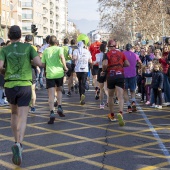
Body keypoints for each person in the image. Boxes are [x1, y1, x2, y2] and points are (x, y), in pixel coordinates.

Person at [0, 25, 42, 166]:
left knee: (13, 113)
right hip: (24, 85)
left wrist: (5, 71)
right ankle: (19, 144)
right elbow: (38, 63)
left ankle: (15, 139)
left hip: (10, 85)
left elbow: (0, 67)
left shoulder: (4, 50)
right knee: (23, 116)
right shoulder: (29, 48)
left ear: (9, 36)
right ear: (20, 36)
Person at [102, 40, 130, 126]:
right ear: (116, 46)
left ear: (108, 47)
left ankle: (112, 115)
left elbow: (104, 64)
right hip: (120, 75)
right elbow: (127, 64)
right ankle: (120, 113)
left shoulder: (107, 54)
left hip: (111, 75)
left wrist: (104, 70)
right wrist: (120, 66)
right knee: (120, 96)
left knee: (110, 96)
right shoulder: (121, 53)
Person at [41, 35, 68, 124]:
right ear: (56, 42)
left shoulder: (46, 50)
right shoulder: (59, 49)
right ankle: (59, 106)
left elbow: (43, 64)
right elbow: (62, 57)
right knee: (59, 90)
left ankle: (52, 112)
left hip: (50, 74)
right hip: (59, 73)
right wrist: (65, 67)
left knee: (51, 95)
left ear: (48, 42)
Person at [123, 43, 141, 113]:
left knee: (125, 91)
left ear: (125, 48)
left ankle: (128, 106)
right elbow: (140, 62)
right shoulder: (135, 55)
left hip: (124, 75)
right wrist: (139, 67)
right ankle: (133, 102)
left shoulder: (123, 54)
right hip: (133, 74)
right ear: (131, 48)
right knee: (132, 90)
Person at [25, 34, 38, 113]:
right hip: (32, 69)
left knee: (24, 89)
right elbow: (35, 60)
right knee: (33, 89)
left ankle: (25, 106)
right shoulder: (34, 48)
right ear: (32, 40)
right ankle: (33, 106)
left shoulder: (22, 47)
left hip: (23, 70)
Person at [94, 43, 108, 109]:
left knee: (101, 88)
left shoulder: (98, 55)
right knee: (107, 88)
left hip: (100, 70)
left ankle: (101, 103)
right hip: (107, 70)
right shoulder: (108, 54)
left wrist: (92, 62)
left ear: (100, 48)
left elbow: (97, 61)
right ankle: (108, 100)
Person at [89, 34, 101, 100]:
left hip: (94, 63)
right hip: (100, 63)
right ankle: (99, 88)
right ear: (100, 38)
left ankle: (96, 88)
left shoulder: (91, 45)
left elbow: (90, 54)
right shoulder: (101, 44)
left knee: (95, 78)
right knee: (100, 78)